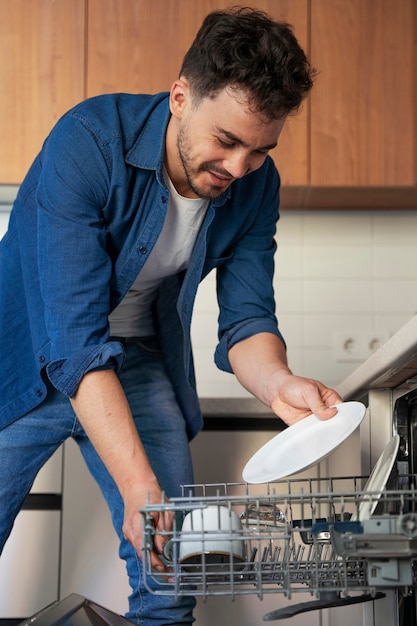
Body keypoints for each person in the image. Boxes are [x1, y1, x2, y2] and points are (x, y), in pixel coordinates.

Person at [0, 6, 342, 625]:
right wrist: (139, 486)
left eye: (260, 150)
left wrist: (279, 383)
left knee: (171, 572)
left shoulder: (255, 187)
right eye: (227, 141)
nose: (238, 169)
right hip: (23, 359)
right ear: (181, 97)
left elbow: (247, 320)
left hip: (134, 360)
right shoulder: (88, 142)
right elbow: (73, 343)